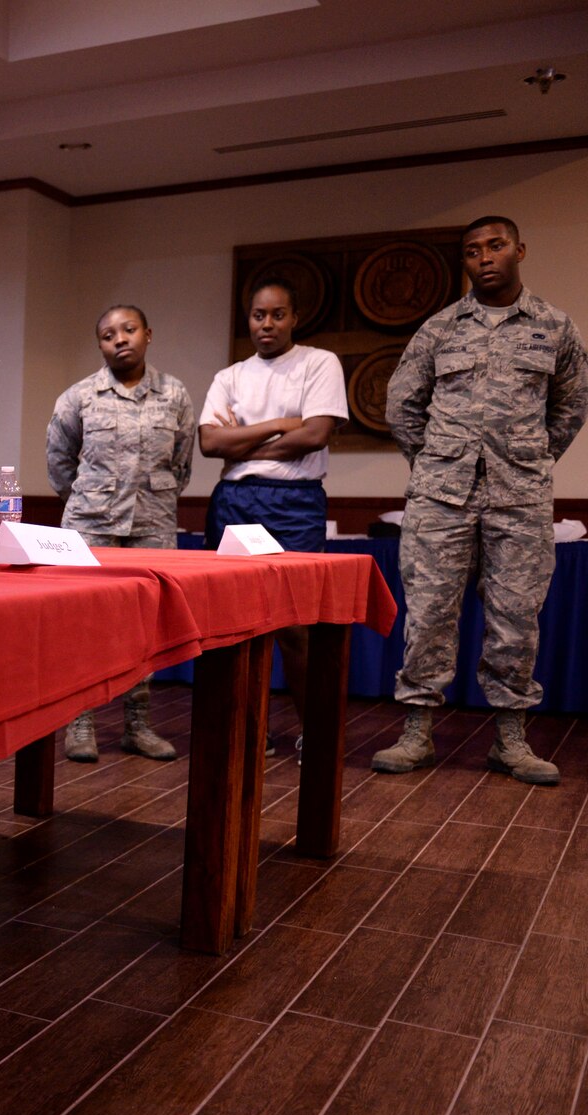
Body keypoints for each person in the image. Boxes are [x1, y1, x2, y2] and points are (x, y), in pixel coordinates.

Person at [373, 216, 588, 784]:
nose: (485, 258)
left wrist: (529, 460)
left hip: (519, 498)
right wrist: (435, 463)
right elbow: (402, 405)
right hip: (440, 499)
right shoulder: (440, 329)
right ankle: (417, 733)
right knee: (428, 616)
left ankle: (511, 740)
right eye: (472, 251)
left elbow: (570, 407)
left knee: (516, 619)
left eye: (496, 246)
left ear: (520, 249)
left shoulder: (555, 328)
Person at [198, 279, 349, 750]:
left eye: (277, 314)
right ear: (249, 319)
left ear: (294, 318)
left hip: (295, 502)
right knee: (231, 621)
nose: (267, 324)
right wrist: (284, 423)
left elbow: (317, 433)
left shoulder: (319, 363)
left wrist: (244, 443)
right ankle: (248, 730)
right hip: (235, 502)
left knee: (296, 626)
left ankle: (313, 734)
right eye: (259, 315)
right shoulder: (230, 377)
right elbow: (209, 444)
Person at [46, 303, 196, 762]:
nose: (120, 340)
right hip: (91, 525)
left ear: (148, 334)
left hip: (153, 526)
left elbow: (183, 463)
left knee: (144, 628)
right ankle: (80, 721)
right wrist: (94, 497)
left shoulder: (175, 395)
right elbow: (59, 464)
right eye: (108, 335)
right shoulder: (79, 397)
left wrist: (152, 499)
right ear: (100, 345)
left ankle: (138, 724)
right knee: (82, 624)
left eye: (128, 330)